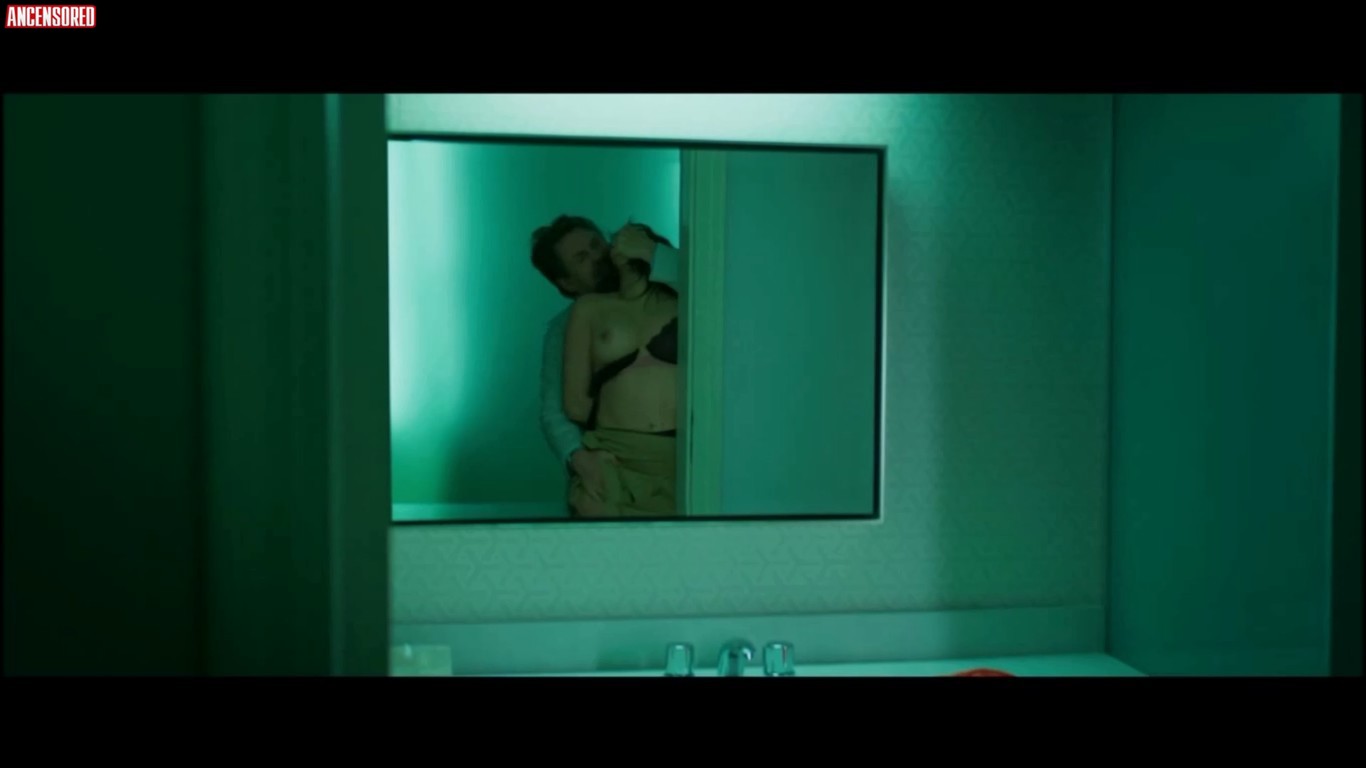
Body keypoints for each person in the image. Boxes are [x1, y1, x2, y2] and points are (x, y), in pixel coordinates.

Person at [531, 216, 681, 516]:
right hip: (612, 461)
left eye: (596, 244)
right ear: (567, 282)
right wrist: (578, 457)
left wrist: (655, 254)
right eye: (581, 258)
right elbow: (556, 410)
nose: (597, 256)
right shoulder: (566, 326)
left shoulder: (671, 295)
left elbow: (711, 283)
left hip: (679, 455)